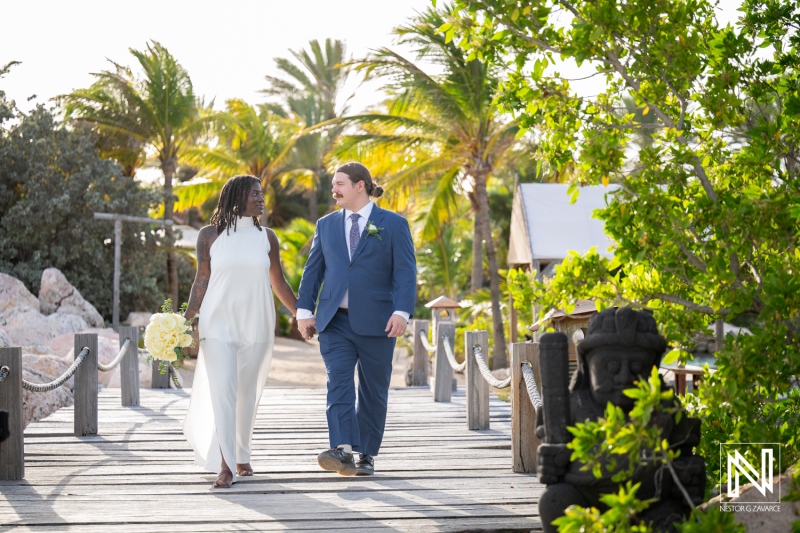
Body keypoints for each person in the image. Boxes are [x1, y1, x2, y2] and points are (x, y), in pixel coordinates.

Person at [296, 162, 416, 476]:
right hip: (334, 321)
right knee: (338, 381)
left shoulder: (393, 224)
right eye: (333, 184)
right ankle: (342, 450)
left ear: (360, 185)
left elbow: (406, 273)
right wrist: (304, 312)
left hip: (379, 322)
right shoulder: (325, 224)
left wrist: (402, 312)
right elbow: (313, 272)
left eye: (339, 184)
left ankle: (366, 454)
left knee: (374, 390)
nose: (333, 189)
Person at [182, 175, 298, 489]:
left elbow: (279, 282)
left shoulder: (267, 237)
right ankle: (226, 465)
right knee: (224, 391)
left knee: (247, 392)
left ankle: (242, 454)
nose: (261, 199)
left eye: (262, 194)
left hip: (257, 322)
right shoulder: (209, 235)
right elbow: (201, 279)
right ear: (236, 197)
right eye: (255, 194)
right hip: (217, 323)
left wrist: (301, 313)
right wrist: (184, 319)